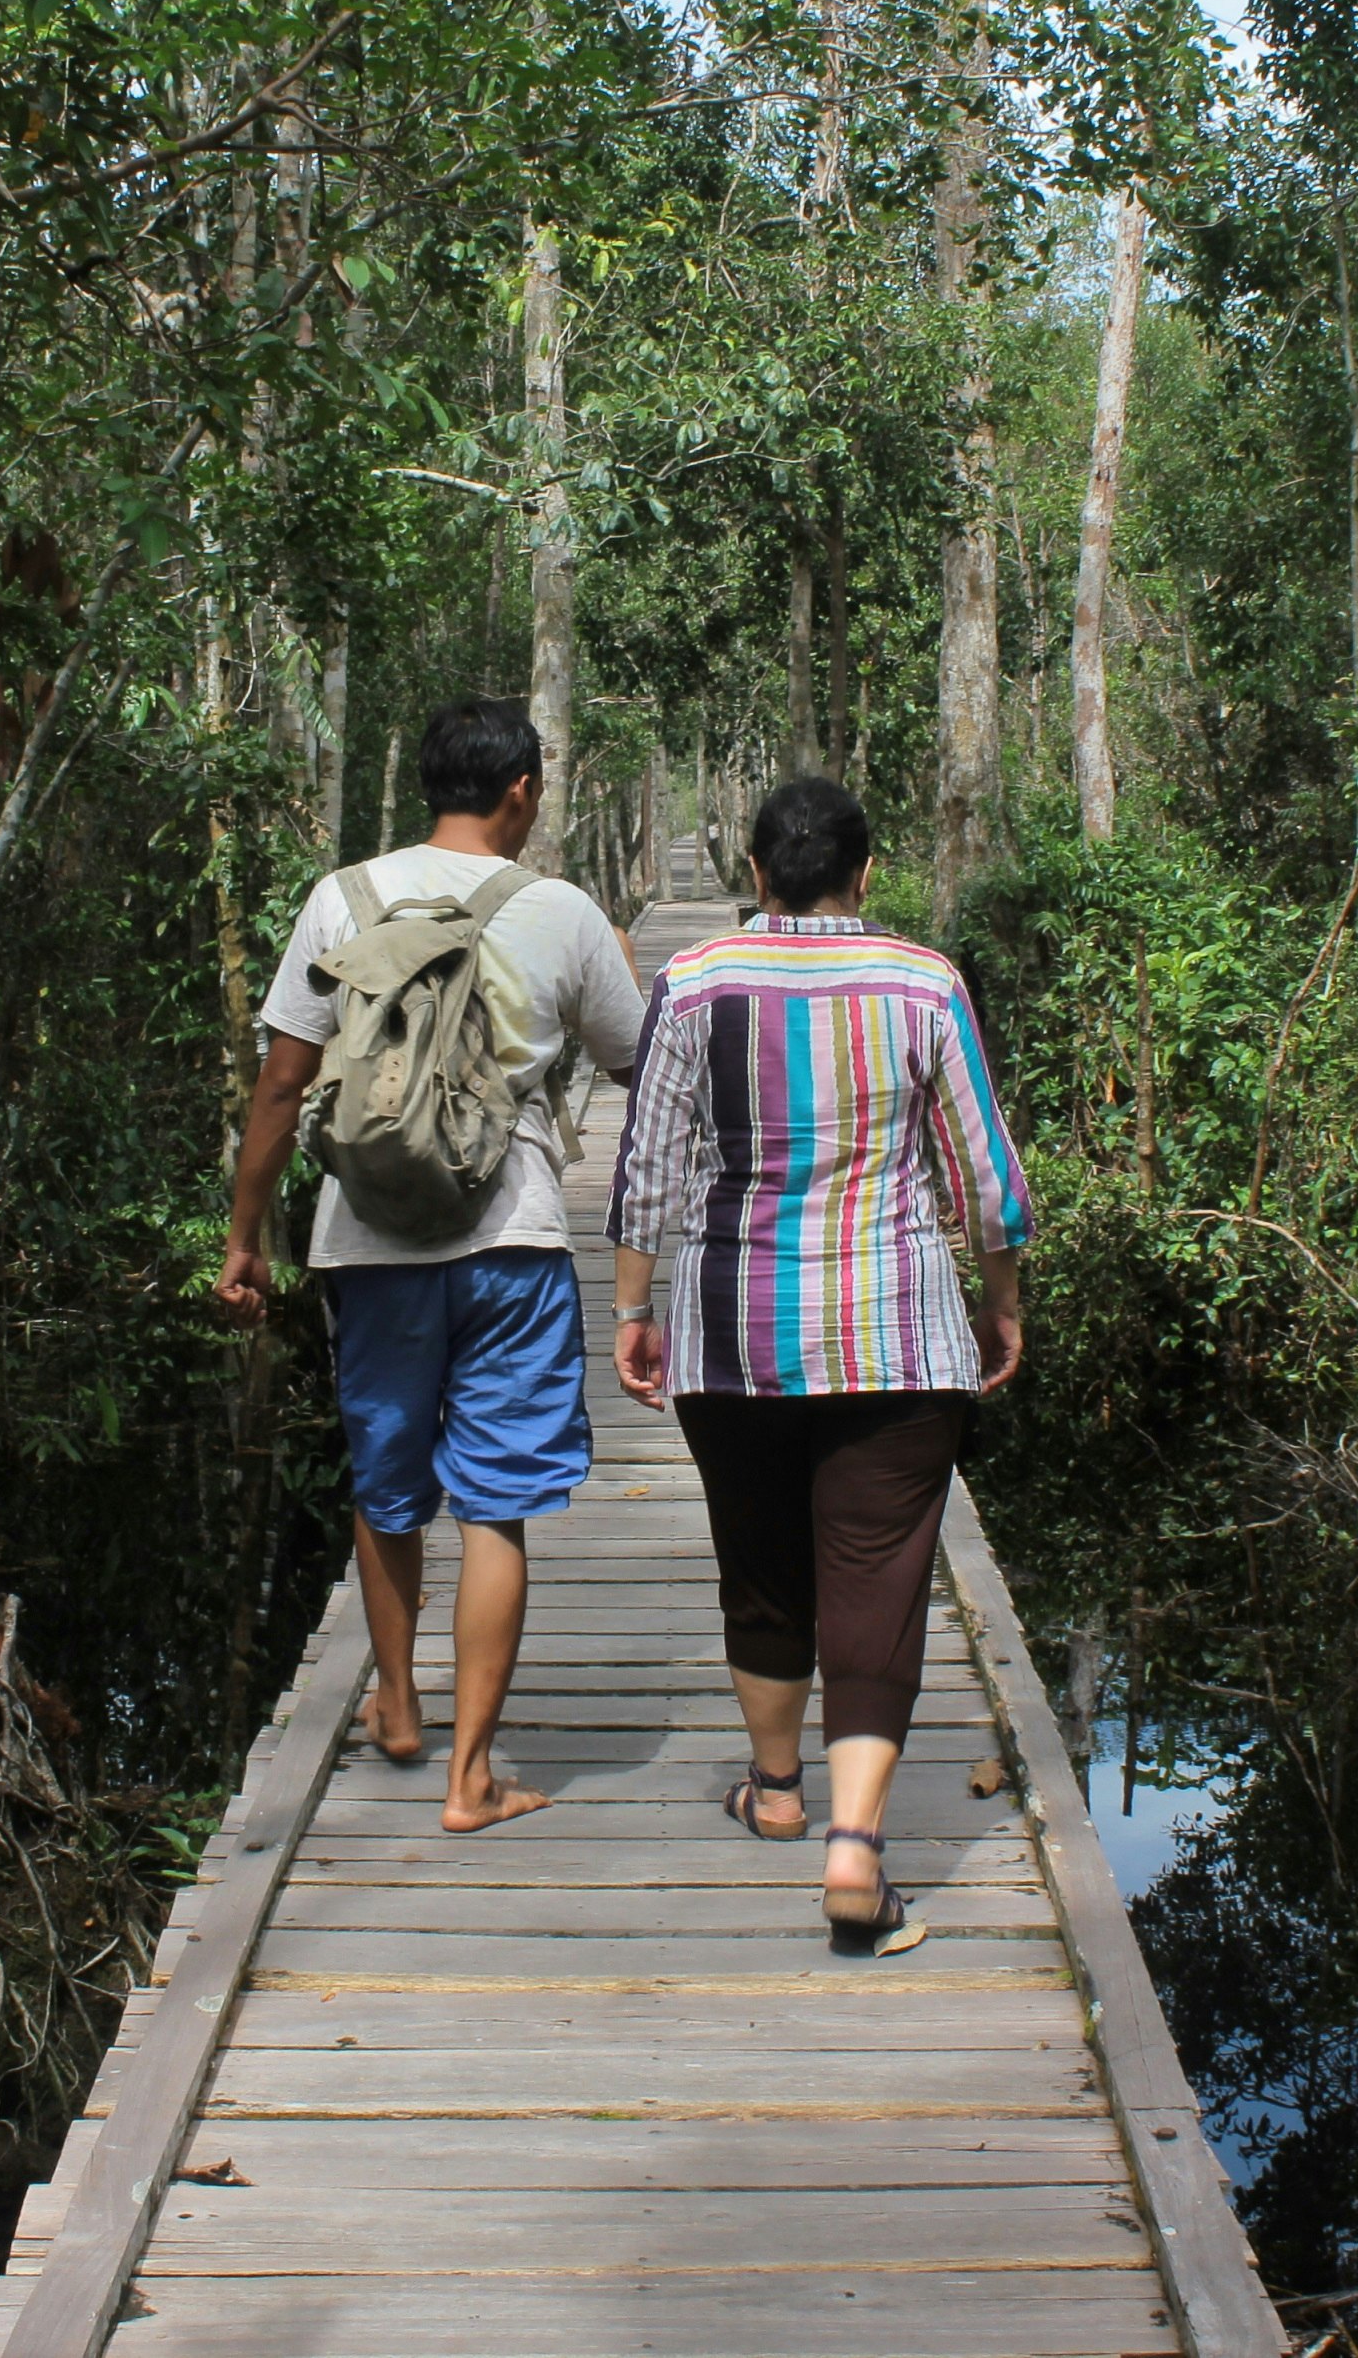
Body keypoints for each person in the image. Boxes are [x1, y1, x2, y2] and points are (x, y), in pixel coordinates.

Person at [606, 775, 1031, 1952]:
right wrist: (1000, 1301)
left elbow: (646, 1165)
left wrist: (633, 1307)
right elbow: (982, 1175)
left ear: (753, 872)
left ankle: (777, 1786)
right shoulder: (922, 980)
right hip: (894, 1332)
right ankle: (855, 1853)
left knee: (759, 1556)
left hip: (730, 1330)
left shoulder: (690, 982)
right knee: (877, 1576)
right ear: (867, 870)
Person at [217, 699, 646, 1833]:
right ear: (519, 791)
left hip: (364, 1240)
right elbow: (635, 1058)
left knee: (386, 1482)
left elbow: (279, 1082)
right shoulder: (558, 909)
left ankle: (397, 1707)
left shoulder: (342, 897)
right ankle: (472, 1777)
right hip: (511, 1238)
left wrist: (243, 1236)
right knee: (494, 1506)